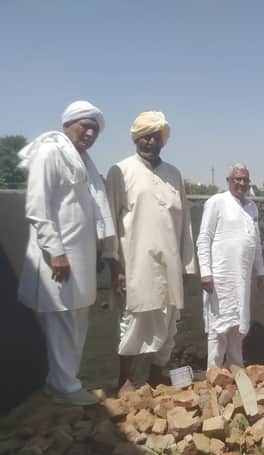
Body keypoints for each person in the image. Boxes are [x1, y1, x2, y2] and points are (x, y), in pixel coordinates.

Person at [18, 100, 113, 406]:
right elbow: (37, 208)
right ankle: (64, 386)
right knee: (62, 321)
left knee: (76, 319)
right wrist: (56, 252)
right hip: (59, 258)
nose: (90, 133)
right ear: (68, 124)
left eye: (95, 129)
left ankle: (64, 379)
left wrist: (99, 245)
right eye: (85, 126)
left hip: (81, 257)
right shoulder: (50, 153)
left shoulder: (83, 160)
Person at [104, 111, 196, 391]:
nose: (151, 142)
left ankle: (157, 374)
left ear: (163, 140)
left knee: (169, 322)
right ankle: (125, 379)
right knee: (133, 321)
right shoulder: (120, 171)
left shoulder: (174, 174)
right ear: (136, 139)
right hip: (136, 265)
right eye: (145, 136)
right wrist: (115, 267)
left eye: (156, 136)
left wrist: (187, 266)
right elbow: (109, 221)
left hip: (170, 263)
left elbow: (185, 223)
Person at [197, 163, 264, 369]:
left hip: (243, 277)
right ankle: (214, 372)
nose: (241, 183)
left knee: (238, 324)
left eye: (245, 180)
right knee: (219, 327)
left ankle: (235, 368)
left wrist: (260, 271)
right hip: (221, 276)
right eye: (237, 179)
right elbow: (204, 238)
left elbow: (256, 241)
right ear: (228, 181)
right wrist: (206, 273)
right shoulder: (216, 202)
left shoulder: (251, 207)